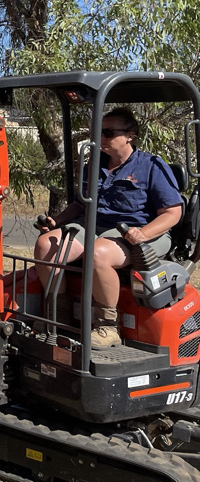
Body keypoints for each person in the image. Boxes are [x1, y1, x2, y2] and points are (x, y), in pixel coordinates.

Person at [34, 107, 183, 347]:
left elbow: (172, 213)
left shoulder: (152, 166)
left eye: (108, 132)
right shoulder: (94, 165)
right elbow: (80, 204)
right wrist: (57, 222)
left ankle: (107, 326)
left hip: (140, 231)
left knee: (98, 253)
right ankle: (58, 315)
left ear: (130, 135)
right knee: (45, 245)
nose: (101, 138)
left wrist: (142, 233)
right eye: (98, 132)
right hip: (96, 226)